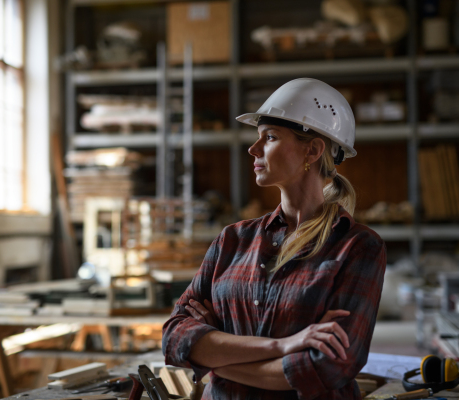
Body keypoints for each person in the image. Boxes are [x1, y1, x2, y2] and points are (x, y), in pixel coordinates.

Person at [162, 78, 387, 400]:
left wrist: (214, 356)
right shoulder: (233, 239)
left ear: (312, 149)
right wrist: (284, 346)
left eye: (269, 137)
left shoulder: (357, 246)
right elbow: (174, 338)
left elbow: (329, 366)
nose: (253, 150)